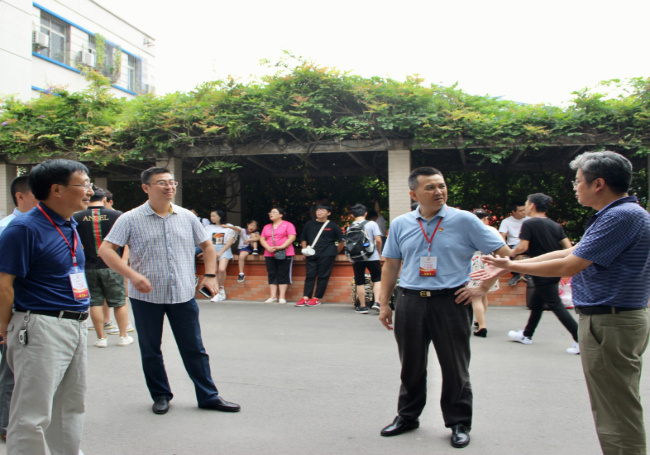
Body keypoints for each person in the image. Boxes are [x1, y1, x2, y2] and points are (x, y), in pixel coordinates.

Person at [477, 151, 650, 455]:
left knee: (616, 408)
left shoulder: (621, 216)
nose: (575, 187)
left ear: (598, 183)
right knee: (613, 405)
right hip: (612, 319)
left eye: (577, 180)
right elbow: (569, 252)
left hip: (611, 321)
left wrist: (513, 265)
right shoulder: (618, 213)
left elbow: (569, 266)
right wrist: (510, 264)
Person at [377, 166, 510, 449]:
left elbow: (504, 254)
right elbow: (391, 265)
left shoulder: (465, 220)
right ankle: (407, 416)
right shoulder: (401, 224)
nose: (439, 191)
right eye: (430, 187)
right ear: (414, 194)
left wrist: (482, 287)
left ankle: (459, 422)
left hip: (451, 301)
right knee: (411, 365)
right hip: (410, 300)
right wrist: (384, 303)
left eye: (442, 185)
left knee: (454, 366)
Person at [98, 167, 240, 415]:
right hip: (146, 297)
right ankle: (161, 395)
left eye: (172, 182)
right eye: (162, 182)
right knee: (151, 350)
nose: (169, 186)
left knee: (194, 348)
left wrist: (209, 275)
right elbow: (106, 250)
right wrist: (131, 275)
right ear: (146, 188)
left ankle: (208, 396)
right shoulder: (129, 218)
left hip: (182, 295)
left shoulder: (187, 217)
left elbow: (207, 247)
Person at [0, 159, 93, 454]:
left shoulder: (69, 224)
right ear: (57, 190)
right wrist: (4, 327)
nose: (90, 191)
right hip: (41, 326)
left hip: (75, 324)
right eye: (83, 184)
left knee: (70, 407)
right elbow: (3, 283)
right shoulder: (23, 228)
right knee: (32, 414)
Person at [505, 193, 578, 353]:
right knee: (537, 303)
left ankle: (581, 339)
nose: (525, 207)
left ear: (532, 205)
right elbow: (568, 247)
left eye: (526, 203)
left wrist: (511, 254)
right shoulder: (555, 225)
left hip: (540, 269)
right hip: (554, 269)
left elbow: (523, 247)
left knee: (556, 305)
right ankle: (527, 335)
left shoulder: (529, 224)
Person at [0, 175, 38, 442]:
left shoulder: (40, 225)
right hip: (12, 309)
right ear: (20, 197)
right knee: (10, 372)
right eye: (37, 196)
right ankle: (5, 424)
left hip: (29, 311)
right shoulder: (9, 227)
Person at [73, 186, 133, 348]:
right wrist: (124, 261)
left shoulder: (77, 217)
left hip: (88, 266)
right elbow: (128, 240)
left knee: (95, 302)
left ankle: (101, 338)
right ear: (104, 199)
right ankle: (123, 336)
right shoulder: (117, 215)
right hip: (113, 265)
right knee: (119, 301)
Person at [296, 205, 344, 307]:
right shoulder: (309, 224)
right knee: (310, 275)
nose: (319, 212)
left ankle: (317, 298)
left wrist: (335, 252)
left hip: (327, 254)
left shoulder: (333, 225)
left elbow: (342, 241)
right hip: (311, 253)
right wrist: (304, 251)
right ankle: (305, 297)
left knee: (323, 276)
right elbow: (303, 238)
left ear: (328, 213)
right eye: (318, 210)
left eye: (323, 210)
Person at [468, 208, 503, 337]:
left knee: (476, 296)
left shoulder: (471, 229)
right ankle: (479, 321)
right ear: (485, 219)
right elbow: (502, 246)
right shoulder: (492, 230)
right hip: (490, 261)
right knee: (484, 294)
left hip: (475, 260)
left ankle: (482, 325)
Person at [348, 203, 382, 314]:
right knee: (377, 279)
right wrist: (379, 251)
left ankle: (362, 306)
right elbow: (378, 240)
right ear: (366, 213)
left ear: (352, 215)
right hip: (372, 256)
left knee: (359, 281)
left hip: (356, 257)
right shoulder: (372, 224)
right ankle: (377, 302)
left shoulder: (350, 227)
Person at [258, 207, 296, 304]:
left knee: (283, 273)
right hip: (269, 253)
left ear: (281, 215)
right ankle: (273, 296)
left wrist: (282, 246)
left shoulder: (288, 225)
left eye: (274, 212)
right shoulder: (267, 226)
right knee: (272, 273)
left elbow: (292, 237)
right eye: (270, 212)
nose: (271, 214)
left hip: (285, 252)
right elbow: (262, 239)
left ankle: (282, 297)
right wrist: (267, 247)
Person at [201, 209, 240, 302]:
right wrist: (205, 251)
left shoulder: (228, 226)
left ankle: (222, 290)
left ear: (220, 216)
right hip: (212, 251)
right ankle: (216, 292)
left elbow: (231, 240)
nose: (212, 218)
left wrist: (221, 252)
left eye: (214, 216)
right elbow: (206, 241)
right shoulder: (208, 227)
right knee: (213, 271)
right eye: (211, 216)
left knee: (221, 269)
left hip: (224, 250)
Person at [498, 203, 529, 286]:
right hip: (512, 244)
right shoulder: (506, 221)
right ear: (513, 212)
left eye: (524, 210)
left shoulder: (529, 220)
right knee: (516, 251)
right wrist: (505, 248)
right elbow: (502, 236)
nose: (524, 212)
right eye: (521, 211)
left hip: (526, 244)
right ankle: (518, 275)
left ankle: (526, 274)